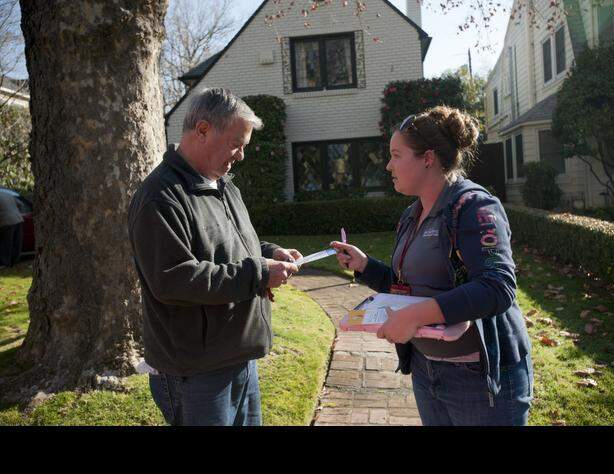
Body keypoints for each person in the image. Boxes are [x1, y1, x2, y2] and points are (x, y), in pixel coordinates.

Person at [330, 106, 533, 426]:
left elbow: (497, 287)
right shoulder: (413, 214)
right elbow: (411, 289)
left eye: (396, 155)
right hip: (427, 371)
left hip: (480, 379)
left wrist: (413, 317)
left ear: (428, 158)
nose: (388, 165)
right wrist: (366, 266)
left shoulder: (474, 206)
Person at [128, 88, 301, 426]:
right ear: (203, 130)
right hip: (195, 373)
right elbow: (173, 279)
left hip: (239, 358)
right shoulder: (160, 198)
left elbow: (231, 247)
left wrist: (268, 253)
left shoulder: (224, 186)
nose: (240, 155)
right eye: (236, 143)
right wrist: (259, 274)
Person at [0, 190, 23, 269]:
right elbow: (20, 204)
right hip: (18, 219)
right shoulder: (6, 194)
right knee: (16, 243)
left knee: (6, 244)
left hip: (6, 221)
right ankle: (14, 262)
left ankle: (5, 264)